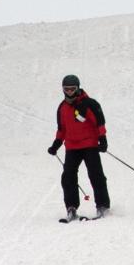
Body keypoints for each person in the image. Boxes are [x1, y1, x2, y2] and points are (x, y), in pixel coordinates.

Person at [47, 74, 111, 221]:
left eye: (72, 89)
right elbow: (62, 129)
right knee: (68, 177)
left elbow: (99, 123)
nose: (69, 92)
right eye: (66, 89)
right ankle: (71, 207)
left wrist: (102, 139)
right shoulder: (62, 108)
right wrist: (56, 144)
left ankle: (102, 205)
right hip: (72, 146)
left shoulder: (89, 103)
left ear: (78, 88)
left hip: (89, 145)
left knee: (96, 175)